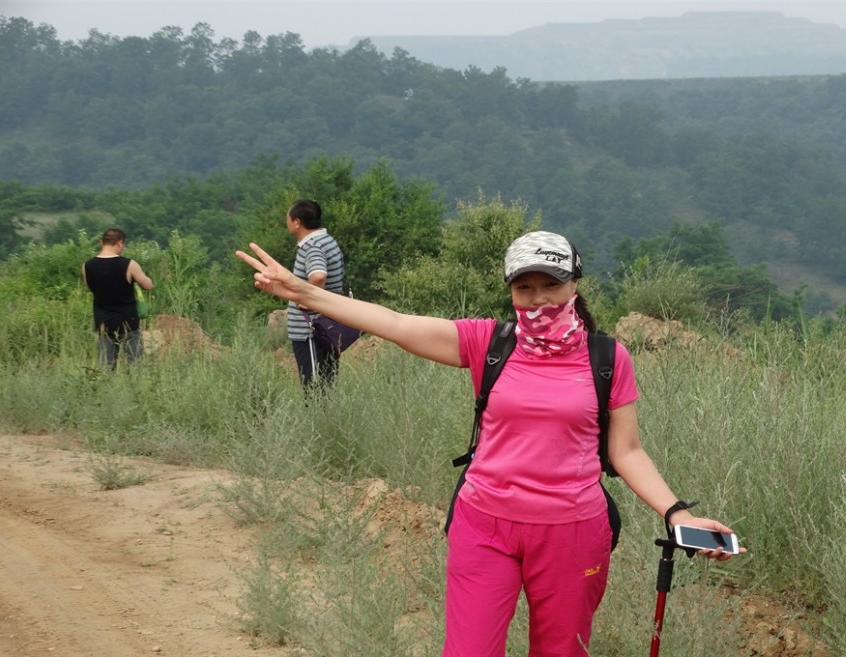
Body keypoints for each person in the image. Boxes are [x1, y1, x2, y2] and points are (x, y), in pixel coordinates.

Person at [236, 230, 744, 657]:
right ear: (510, 292)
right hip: (485, 526)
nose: (539, 298)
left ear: (575, 285)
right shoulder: (488, 343)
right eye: (525, 287)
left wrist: (676, 513)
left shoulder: (607, 357)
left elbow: (626, 451)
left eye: (552, 284)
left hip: (572, 532)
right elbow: (393, 323)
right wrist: (302, 292)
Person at [285, 198, 346, 391]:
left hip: (311, 330)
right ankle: (328, 420)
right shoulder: (326, 240)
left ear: (297, 222)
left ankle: (318, 421)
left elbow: (318, 275)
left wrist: (306, 300)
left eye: (288, 217)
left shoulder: (312, 245)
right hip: (328, 326)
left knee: (315, 389)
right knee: (326, 385)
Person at [82, 228, 154, 369]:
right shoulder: (129, 264)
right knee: (136, 366)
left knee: (106, 368)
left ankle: (107, 389)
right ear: (120, 243)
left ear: (101, 242)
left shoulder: (87, 266)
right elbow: (148, 285)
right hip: (128, 321)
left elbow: (90, 288)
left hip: (103, 322)